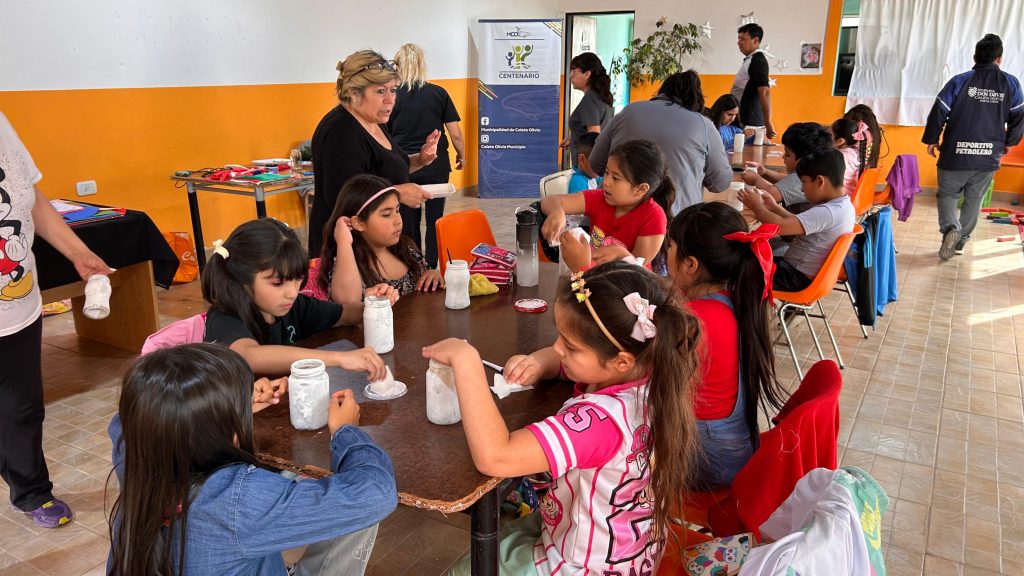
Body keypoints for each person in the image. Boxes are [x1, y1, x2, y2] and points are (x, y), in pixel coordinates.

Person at [427, 262, 702, 575]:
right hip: (629, 552)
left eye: (569, 346)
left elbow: (496, 457)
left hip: (580, 566)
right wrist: (540, 362)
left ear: (620, 361)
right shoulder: (654, 371)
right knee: (510, 535)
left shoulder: (599, 423)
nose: (557, 349)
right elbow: (583, 365)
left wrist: (466, 362)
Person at [108, 344, 396, 575]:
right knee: (355, 507)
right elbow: (377, 493)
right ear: (223, 432)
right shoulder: (234, 500)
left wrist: (220, 410)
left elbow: (122, 420)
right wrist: (346, 431)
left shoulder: (134, 454)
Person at [0, 111, 110, 529]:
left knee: (22, 407)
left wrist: (78, 252)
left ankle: (31, 490)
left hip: (17, 303)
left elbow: (28, 194)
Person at [665, 202, 788, 488]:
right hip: (732, 452)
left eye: (669, 246)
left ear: (690, 265)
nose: (665, 252)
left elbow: (637, 370)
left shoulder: (694, 320)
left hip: (708, 463)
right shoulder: (734, 299)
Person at [201, 218, 387, 380]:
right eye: (277, 283)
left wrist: (375, 304)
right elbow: (249, 356)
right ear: (243, 280)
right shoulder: (224, 316)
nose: (292, 292)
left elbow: (346, 315)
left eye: (297, 279)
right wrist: (339, 358)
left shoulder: (295, 305)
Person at [308, 50, 439, 257]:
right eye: (380, 91)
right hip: (354, 251)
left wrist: (420, 160)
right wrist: (397, 193)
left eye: (393, 90)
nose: (390, 100)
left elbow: (383, 170)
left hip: (383, 243)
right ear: (354, 93)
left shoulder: (373, 121)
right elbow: (342, 196)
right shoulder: (341, 131)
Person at [922, 33, 1024, 260]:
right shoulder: (1011, 83)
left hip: (955, 153)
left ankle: (951, 229)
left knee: (947, 195)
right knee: (974, 198)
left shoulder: (959, 81)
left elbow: (939, 110)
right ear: (999, 58)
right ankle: (960, 241)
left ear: (975, 57)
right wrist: (1010, 142)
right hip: (988, 155)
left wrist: (932, 139)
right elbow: (1019, 115)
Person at [590, 71, 732, 214]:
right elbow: (720, 183)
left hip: (610, 215)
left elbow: (595, 164)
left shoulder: (628, 111)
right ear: (697, 99)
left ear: (663, 90)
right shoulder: (703, 125)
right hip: (675, 220)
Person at [387, 43, 466, 268]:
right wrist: (461, 155)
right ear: (422, 64)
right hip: (436, 164)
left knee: (409, 221)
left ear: (398, 66)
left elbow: (385, 134)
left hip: (404, 166)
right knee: (435, 219)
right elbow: (455, 133)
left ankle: (414, 264)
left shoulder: (391, 96)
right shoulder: (439, 93)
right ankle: (432, 265)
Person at [739, 147, 855, 292]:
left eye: (804, 182)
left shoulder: (828, 212)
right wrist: (774, 207)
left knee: (737, 269)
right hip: (799, 273)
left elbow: (778, 227)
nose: (802, 189)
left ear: (819, 181)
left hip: (794, 278)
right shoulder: (843, 206)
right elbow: (798, 223)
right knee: (745, 261)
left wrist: (756, 206)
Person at [541, 140, 672, 267]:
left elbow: (636, 273)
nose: (606, 182)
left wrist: (621, 256)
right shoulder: (599, 198)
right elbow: (551, 200)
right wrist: (557, 211)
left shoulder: (653, 217)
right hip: (592, 273)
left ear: (640, 189)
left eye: (615, 178)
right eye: (607, 173)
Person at [317, 174, 444, 303]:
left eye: (397, 210)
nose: (398, 220)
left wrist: (432, 274)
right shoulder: (347, 261)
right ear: (358, 223)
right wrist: (343, 242)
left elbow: (425, 276)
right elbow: (347, 303)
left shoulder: (404, 248)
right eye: (386, 214)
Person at [740, 122, 833, 209]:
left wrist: (756, 180)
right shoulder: (815, 171)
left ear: (804, 159)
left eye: (788, 154)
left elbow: (768, 195)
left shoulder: (803, 177)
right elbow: (787, 180)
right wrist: (764, 172)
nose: (783, 157)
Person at [560, 52, 614, 167]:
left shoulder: (590, 99)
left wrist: (588, 171)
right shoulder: (602, 96)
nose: (570, 76)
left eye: (574, 71)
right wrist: (574, 138)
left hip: (587, 168)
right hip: (599, 165)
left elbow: (593, 137)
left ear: (587, 74)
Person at [730, 23, 775, 138]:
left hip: (750, 125)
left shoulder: (757, 61)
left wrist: (768, 123)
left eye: (743, 39)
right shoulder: (750, 60)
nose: (739, 42)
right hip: (742, 121)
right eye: (739, 39)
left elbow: (765, 92)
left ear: (755, 41)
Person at [831, 118, 869, 196]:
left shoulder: (839, 156)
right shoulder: (856, 153)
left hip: (840, 196)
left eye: (829, 135)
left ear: (840, 141)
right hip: (852, 196)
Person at [844, 104, 883, 169]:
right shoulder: (874, 134)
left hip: (852, 173)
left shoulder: (862, 135)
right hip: (864, 173)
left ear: (860, 124)